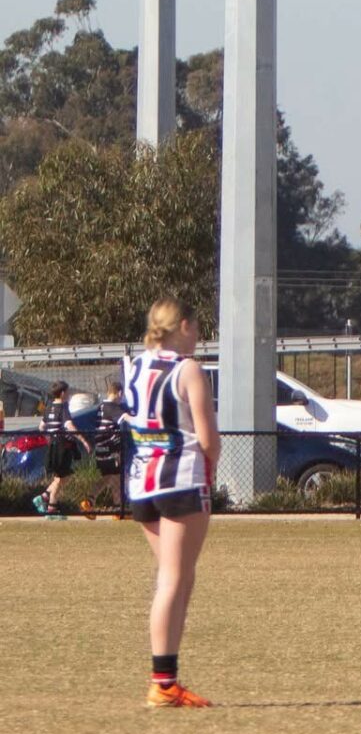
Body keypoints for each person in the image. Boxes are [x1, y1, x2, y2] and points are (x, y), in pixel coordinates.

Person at [122, 296, 219, 708]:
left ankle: (168, 679)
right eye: (196, 328)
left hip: (142, 484)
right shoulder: (187, 369)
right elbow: (208, 438)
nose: (197, 336)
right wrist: (212, 467)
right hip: (181, 480)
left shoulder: (135, 365)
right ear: (183, 326)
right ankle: (162, 683)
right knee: (173, 580)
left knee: (176, 578)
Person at [34, 381, 88, 516]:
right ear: (63, 393)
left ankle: (44, 497)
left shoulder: (49, 407)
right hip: (62, 447)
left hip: (53, 446)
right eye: (68, 392)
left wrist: (49, 438)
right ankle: (51, 508)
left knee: (64, 476)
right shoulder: (63, 407)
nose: (69, 395)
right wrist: (83, 440)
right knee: (61, 477)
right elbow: (69, 425)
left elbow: (41, 426)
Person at [80, 375, 128, 518]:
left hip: (101, 448)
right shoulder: (111, 407)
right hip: (110, 450)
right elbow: (125, 417)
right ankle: (118, 510)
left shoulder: (101, 406)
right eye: (121, 396)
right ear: (119, 393)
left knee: (107, 477)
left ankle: (89, 501)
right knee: (117, 477)